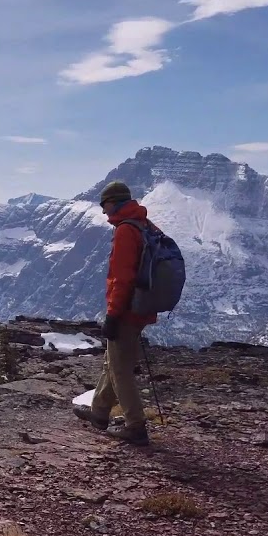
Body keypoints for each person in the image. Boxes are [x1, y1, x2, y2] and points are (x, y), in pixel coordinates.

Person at [73, 180, 157, 445]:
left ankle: (135, 425)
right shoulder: (144, 224)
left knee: (120, 370)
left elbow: (121, 279)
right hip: (143, 307)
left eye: (104, 205)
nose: (103, 211)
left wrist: (113, 314)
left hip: (127, 310)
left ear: (114, 202)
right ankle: (99, 412)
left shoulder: (125, 231)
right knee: (114, 360)